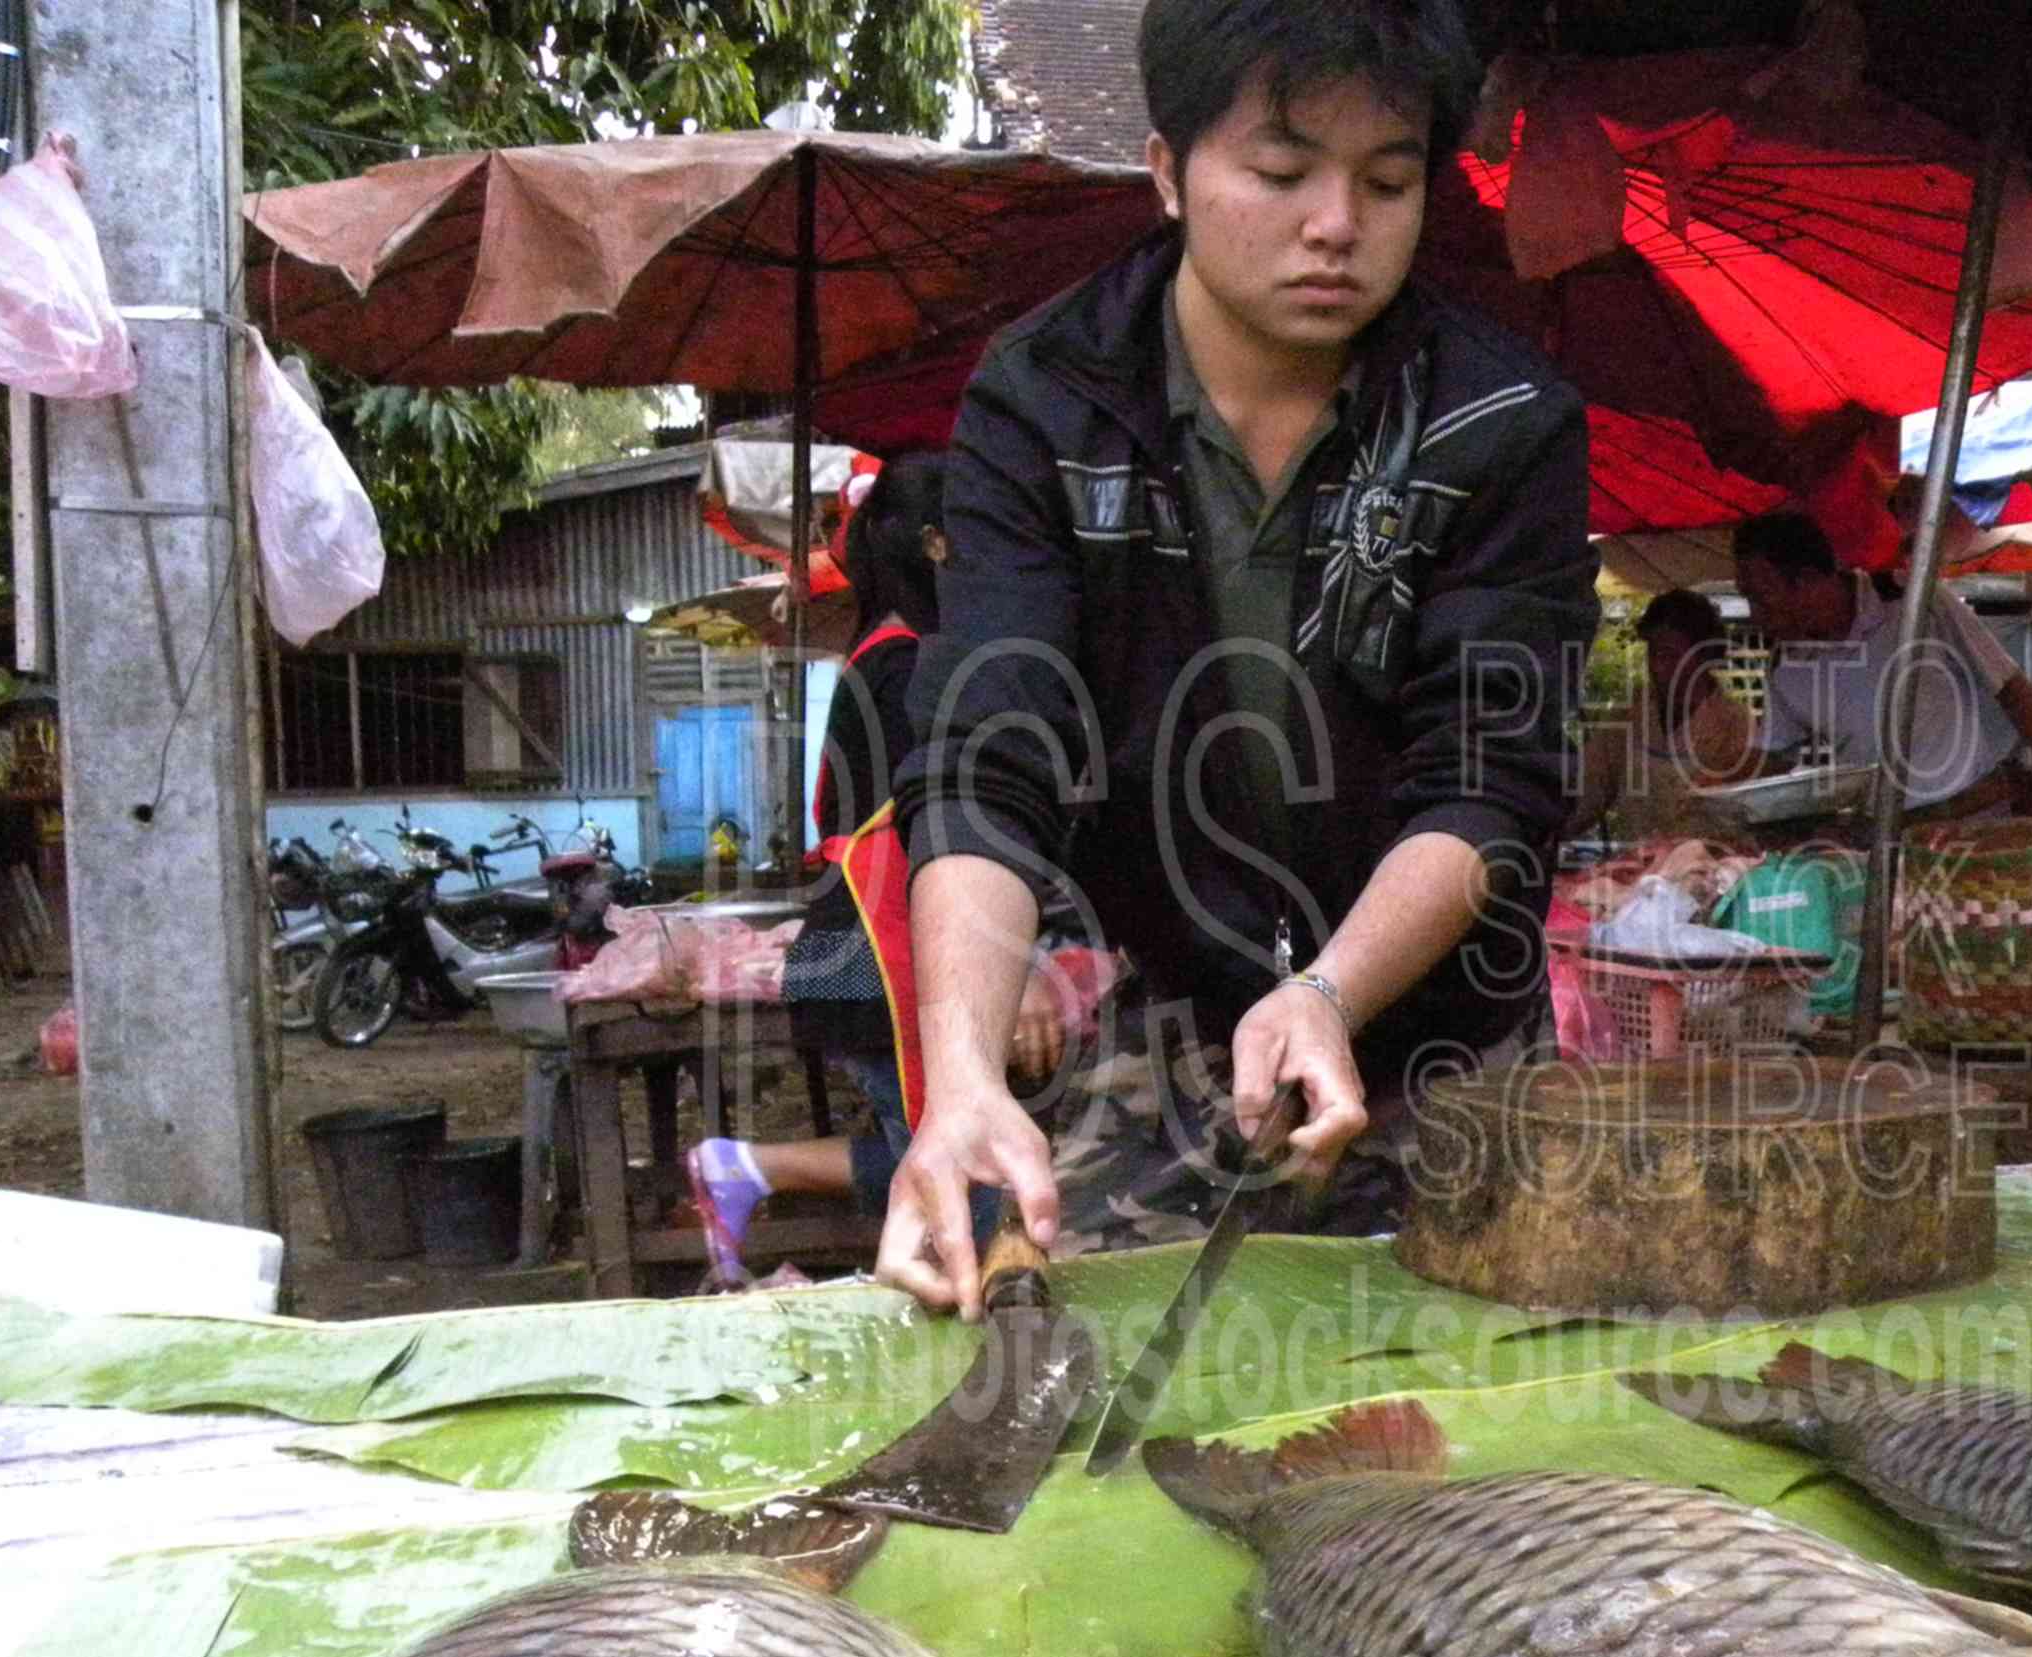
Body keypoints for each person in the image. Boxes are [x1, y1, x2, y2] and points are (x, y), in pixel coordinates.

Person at [879, 0, 1596, 1317]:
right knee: (1086, 1385)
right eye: (1281, 172)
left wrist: (1332, 989)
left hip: (1450, 1040)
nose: (1337, 224)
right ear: (1167, 172)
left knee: (1477, 1409)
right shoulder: (1043, 403)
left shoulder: (1502, 422)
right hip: (1169, 1025)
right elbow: (990, 750)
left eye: (1389, 180)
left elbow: (1491, 778)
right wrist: (966, 1081)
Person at [681, 453, 1070, 1284]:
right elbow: (935, 833)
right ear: (936, 546)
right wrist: (1018, 957)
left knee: (935, 1157)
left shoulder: (882, 651)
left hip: (845, 951)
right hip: (878, 954)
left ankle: (741, 1169)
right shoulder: (907, 666)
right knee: (964, 1192)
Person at [1728, 506, 2032, 817]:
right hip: (1889, 835)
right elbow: (1771, 755)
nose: (1755, 614)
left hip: (1979, 814)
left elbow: (2012, 689)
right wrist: (1709, 797)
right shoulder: (1784, 667)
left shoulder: (1913, 600)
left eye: (1760, 597)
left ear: (1806, 581)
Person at [1631, 588, 1759, 788]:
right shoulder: (1632, 714)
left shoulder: (1735, 724)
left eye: (1669, 655)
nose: (1657, 666)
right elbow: (1590, 785)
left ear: (1705, 655)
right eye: (1653, 654)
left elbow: (1741, 805)